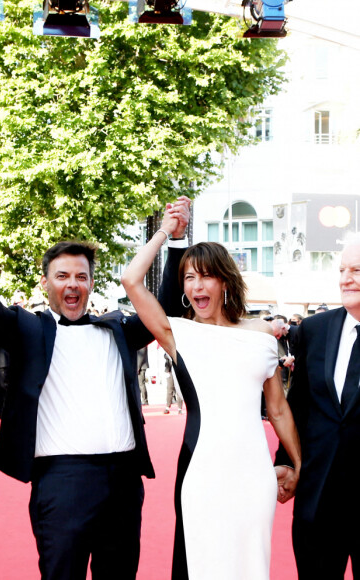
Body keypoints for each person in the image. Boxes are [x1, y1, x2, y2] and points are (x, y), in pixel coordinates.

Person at [0, 192, 190, 580]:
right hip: (61, 482)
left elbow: (163, 306)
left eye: (81, 276)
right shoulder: (27, 330)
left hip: (124, 482)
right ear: (46, 281)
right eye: (62, 276)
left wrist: (175, 238)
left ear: (91, 283)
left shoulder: (117, 328)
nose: (72, 284)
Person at [121, 211, 301, 580]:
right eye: (189, 278)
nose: (197, 286)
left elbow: (278, 409)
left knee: (251, 567)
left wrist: (299, 465)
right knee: (200, 566)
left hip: (254, 476)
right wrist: (166, 233)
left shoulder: (263, 335)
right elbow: (130, 279)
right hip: (201, 473)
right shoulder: (178, 333)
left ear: (225, 281)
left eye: (205, 276)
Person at [275, 236, 360, 578]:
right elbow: (298, 405)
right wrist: (285, 462)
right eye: (341, 270)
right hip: (319, 497)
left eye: (356, 270)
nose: (345, 279)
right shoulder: (314, 329)